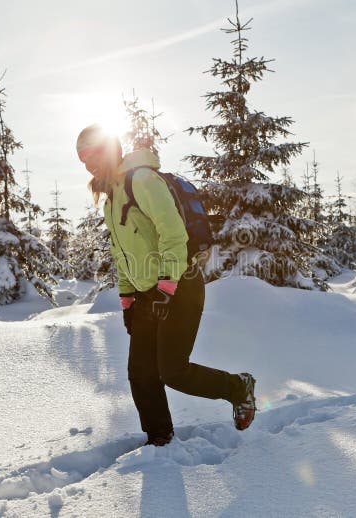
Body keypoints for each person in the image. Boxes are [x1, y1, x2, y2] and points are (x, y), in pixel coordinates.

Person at [76, 124, 256, 446]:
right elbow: (123, 256)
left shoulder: (143, 180)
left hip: (181, 286)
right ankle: (160, 440)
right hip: (148, 295)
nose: (89, 163)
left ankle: (237, 387)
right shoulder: (110, 201)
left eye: (93, 153)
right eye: (83, 159)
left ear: (111, 148)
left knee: (173, 371)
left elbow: (174, 236)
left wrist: (167, 287)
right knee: (141, 373)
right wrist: (128, 300)